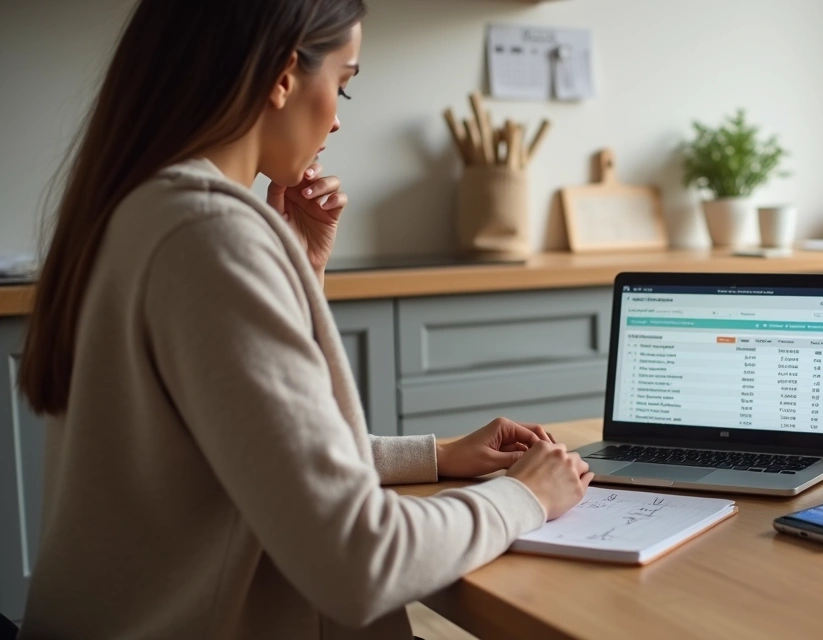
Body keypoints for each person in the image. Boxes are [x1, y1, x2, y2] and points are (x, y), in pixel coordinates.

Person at [16, 1, 592, 637]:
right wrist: (525, 496)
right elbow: (359, 560)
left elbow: (253, 453)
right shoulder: (210, 236)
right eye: (343, 83)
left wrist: (437, 454)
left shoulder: (141, 211)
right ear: (284, 75)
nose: (339, 118)